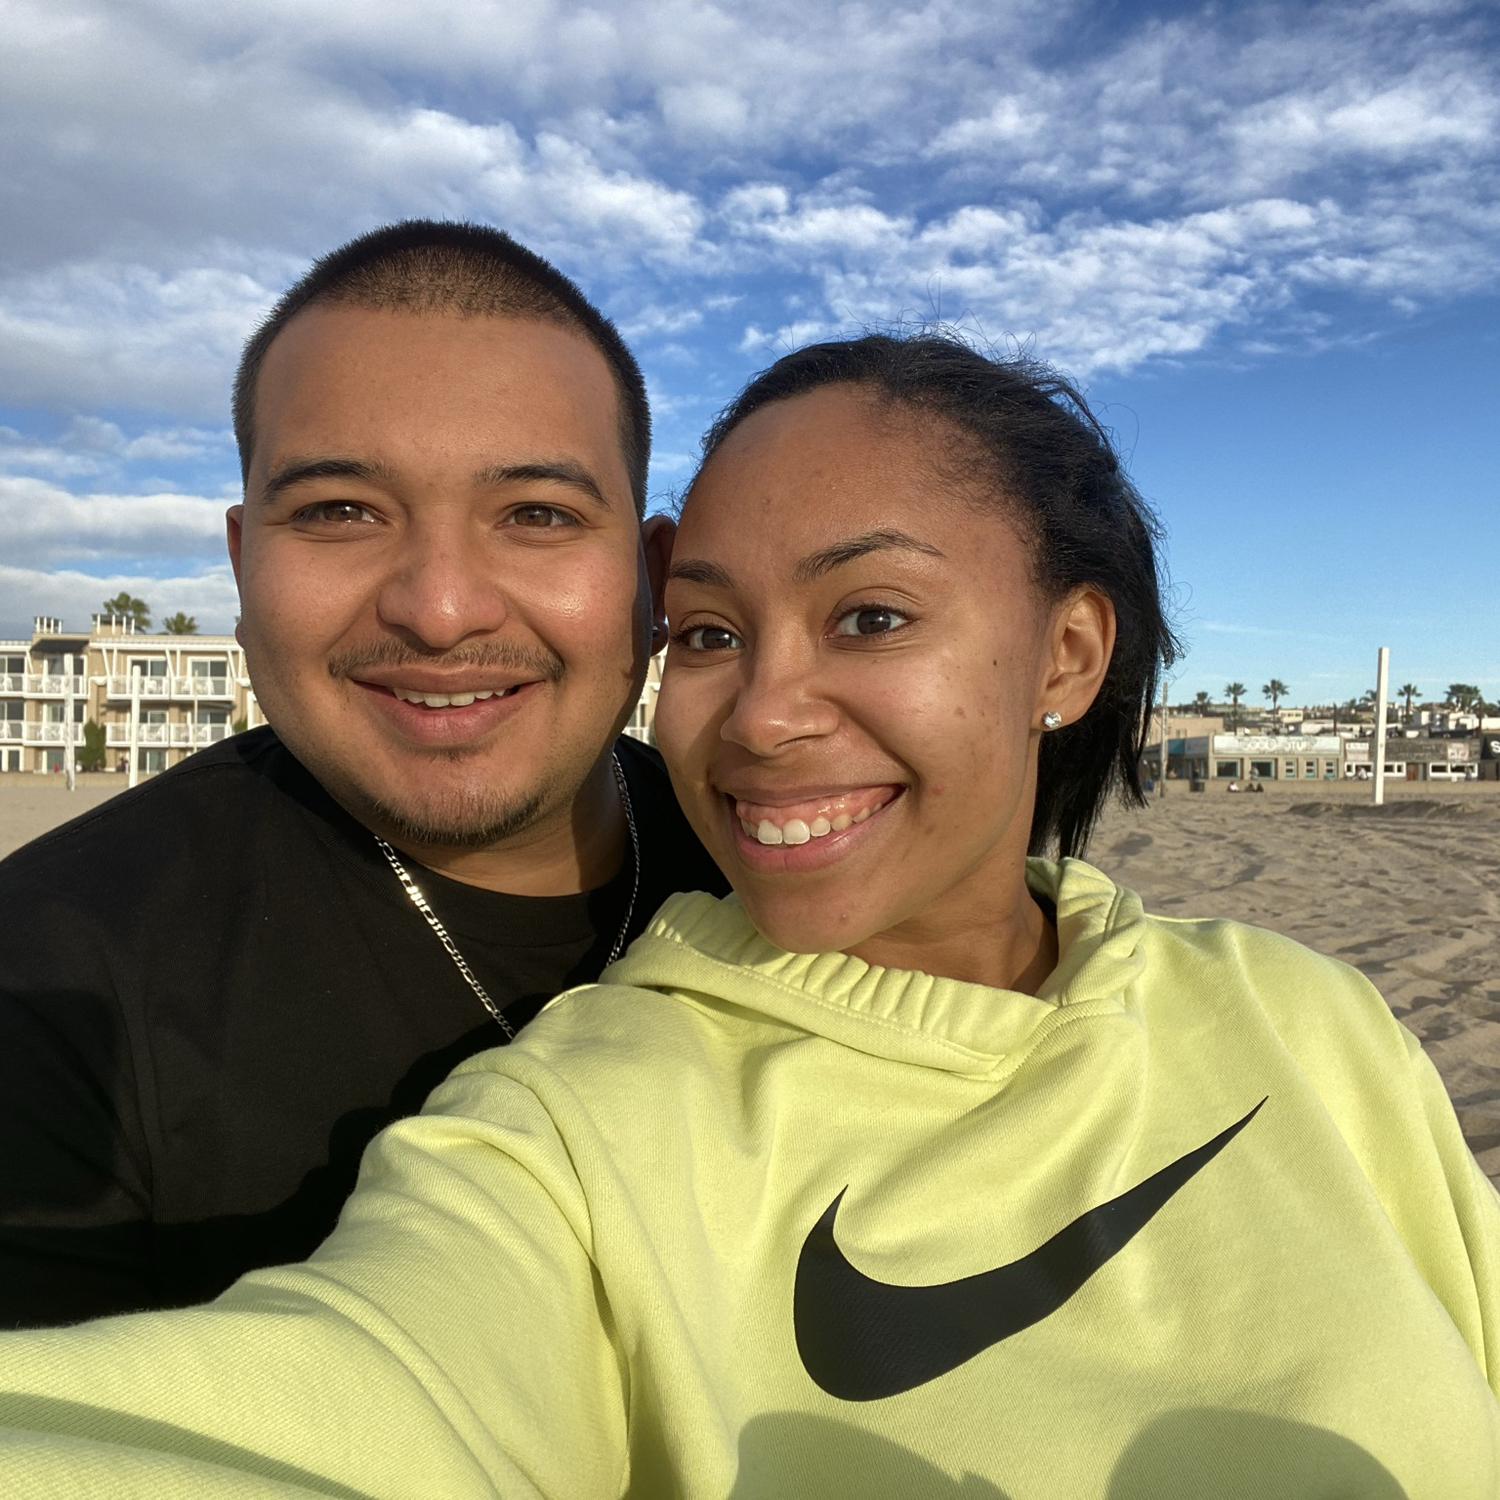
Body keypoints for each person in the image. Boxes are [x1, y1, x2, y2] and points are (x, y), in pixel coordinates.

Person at [1, 333, 1495, 1498]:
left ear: (1068, 654)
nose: (763, 714)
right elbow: (343, 1400)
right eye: (711, 633)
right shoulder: (569, 1133)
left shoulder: (1307, 1015)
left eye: (871, 616)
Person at [0, 220, 724, 1327]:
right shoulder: (46, 987)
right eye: (339, 512)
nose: (440, 609)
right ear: (244, 562)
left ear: (651, 577)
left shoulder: (802, 879)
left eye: (537, 514)